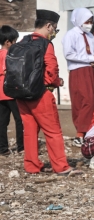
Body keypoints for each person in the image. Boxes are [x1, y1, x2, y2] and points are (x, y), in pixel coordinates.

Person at [16, 10, 81, 175]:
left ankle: (31, 165)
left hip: (21, 93)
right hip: (40, 94)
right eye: (55, 29)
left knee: (29, 131)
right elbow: (51, 71)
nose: (54, 32)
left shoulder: (22, 42)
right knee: (53, 131)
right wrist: (56, 82)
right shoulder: (45, 44)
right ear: (48, 26)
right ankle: (61, 166)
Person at [62, 8, 94, 147]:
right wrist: (88, 58)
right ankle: (80, 132)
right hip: (78, 71)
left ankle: (90, 130)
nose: (89, 24)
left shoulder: (90, 36)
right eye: (86, 21)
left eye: (90, 21)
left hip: (91, 71)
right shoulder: (70, 35)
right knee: (84, 100)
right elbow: (69, 54)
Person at [0, 25, 23, 156]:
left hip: (1, 94)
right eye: (14, 41)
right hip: (10, 91)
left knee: (2, 122)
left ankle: (3, 148)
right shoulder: (8, 55)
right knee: (20, 119)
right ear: (8, 42)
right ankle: (21, 146)